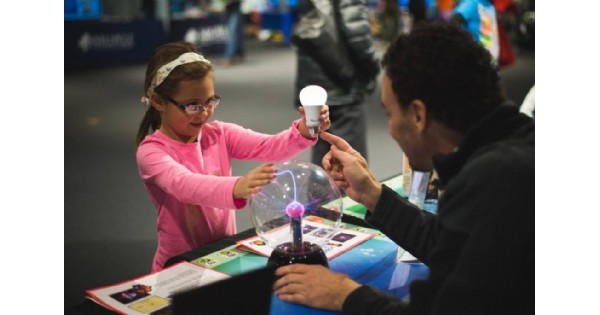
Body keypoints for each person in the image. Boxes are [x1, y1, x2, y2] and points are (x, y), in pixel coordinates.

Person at [273, 22, 534, 314]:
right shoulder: (516, 150)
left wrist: (345, 295)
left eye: (389, 113)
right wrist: (372, 193)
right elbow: (454, 247)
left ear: (418, 115)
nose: (391, 129)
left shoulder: (492, 181)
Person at [135, 41, 331, 272]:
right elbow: (184, 185)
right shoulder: (151, 151)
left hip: (222, 255)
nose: (204, 112)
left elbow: (271, 147)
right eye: (192, 105)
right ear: (158, 101)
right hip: (178, 266)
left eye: (210, 101)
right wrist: (238, 186)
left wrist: (303, 131)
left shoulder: (220, 134)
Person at [292, 0, 380, 165]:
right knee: (349, 165)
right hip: (343, 85)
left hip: (316, 79)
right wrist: (373, 67)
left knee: (322, 158)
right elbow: (357, 34)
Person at [223, 0, 244, 67]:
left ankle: (228, 57)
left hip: (235, 7)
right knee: (236, 32)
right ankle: (239, 53)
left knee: (232, 33)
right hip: (226, 8)